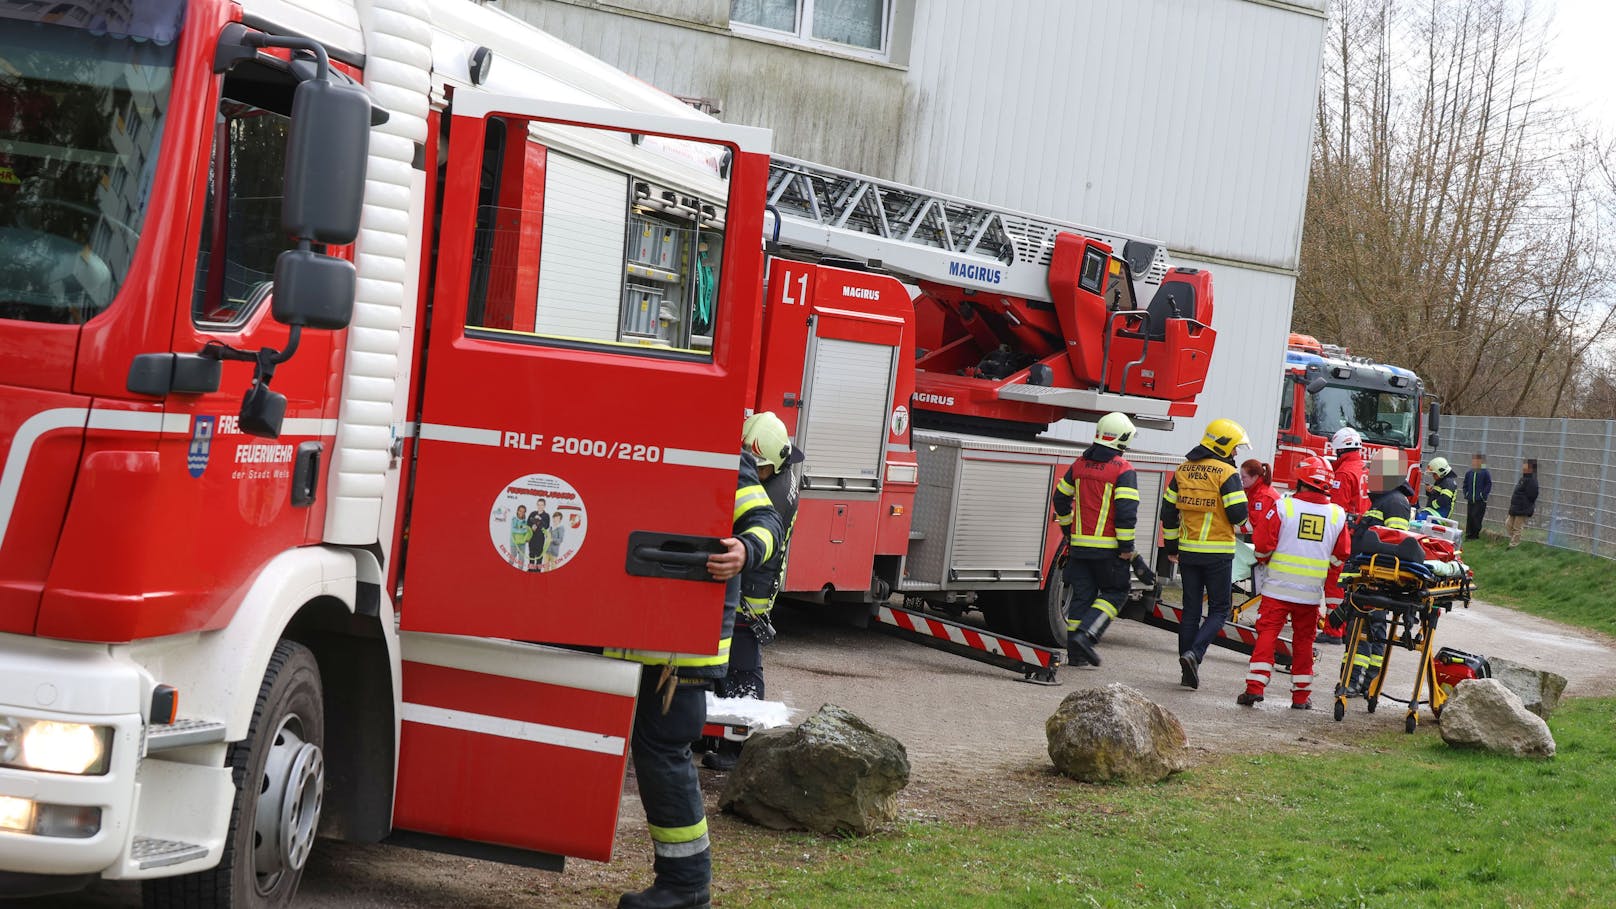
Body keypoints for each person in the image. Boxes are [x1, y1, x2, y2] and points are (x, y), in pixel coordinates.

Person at [607, 452, 782, 909]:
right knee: (657, 750)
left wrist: (745, 549)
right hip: (647, 630)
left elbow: (767, 522)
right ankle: (682, 883)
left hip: (683, 639)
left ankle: (685, 885)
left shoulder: (722, 449)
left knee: (664, 751)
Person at [705, 412, 802, 771]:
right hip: (753, 590)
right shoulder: (780, 472)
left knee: (742, 673)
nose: (748, 471)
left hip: (749, 597)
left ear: (774, 464)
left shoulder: (770, 497)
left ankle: (737, 750)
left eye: (756, 466)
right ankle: (720, 736)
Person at [1238, 455, 1350, 710]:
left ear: (1301, 480)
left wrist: (1264, 560)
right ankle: (1300, 697)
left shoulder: (1283, 507)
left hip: (1277, 588)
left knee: (1267, 634)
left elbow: (1264, 546)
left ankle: (1255, 688)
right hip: (1310, 594)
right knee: (1303, 641)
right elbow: (1341, 554)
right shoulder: (1336, 514)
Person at [1160, 417, 1250, 689]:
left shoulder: (1183, 470)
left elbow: (1168, 513)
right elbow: (1238, 514)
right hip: (1218, 552)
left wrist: (1172, 548)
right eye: (1235, 448)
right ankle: (1194, 655)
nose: (1236, 454)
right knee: (1220, 609)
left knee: (1190, 611)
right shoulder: (1226, 473)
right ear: (1223, 446)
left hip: (1188, 552)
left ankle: (1186, 670)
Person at [1051, 412, 1140, 668]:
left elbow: (1060, 499)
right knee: (1116, 593)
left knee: (1082, 597)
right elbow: (1125, 513)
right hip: (1108, 550)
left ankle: (1076, 656)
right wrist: (1126, 548)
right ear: (1122, 440)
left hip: (1079, 547)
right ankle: (1087, 636)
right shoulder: (1124, 470)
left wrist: (1069, 531)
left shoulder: (1079, 464)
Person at [1338, 449, 1414, 696]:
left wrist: (1375, 579)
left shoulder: (1394, 502)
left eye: (1375, 470)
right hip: (1366, 579)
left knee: (1366, 633)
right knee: (1362, 632)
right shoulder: (1384, 500)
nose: (1369, 475)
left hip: (1375, 582)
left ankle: (1358, 683)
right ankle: (1360, 682)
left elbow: (1393, 544)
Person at [1320, 426, 1369, 644]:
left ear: (1340, 450)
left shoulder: (1343, 473)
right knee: (1352, 583)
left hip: (1345, 534)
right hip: (1364, 534)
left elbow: (1336, 511)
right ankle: (1349, 626)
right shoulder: (1365, 468)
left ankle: (1333, 631)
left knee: (1334, 583)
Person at [1239, 459, 1280, 534]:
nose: (1241, 479)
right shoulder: (1253, 490)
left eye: (1244, 477)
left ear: (1255, 477)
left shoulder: (1263, 496)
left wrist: (1233, 529)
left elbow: (1255, 523)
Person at [1505, 459, 1539, 549]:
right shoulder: (1523, 479)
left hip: (1523, 508)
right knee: (1508, 524)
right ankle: (1515, 540)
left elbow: (1533, 495)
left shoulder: (1532, 481)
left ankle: (1513, 545)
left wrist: (1525, 502)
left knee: (1517, 528)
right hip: (1515, 507)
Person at [1463, 453, 1492, 540]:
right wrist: (1466, 494)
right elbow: (1465, 484)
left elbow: (1488, 484)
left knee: (1477, 517)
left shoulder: (1485, 472)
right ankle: (1468, 535)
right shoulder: (1469, 473)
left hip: (1480, 501)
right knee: (1470, 517)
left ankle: (1475, 535)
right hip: (1470, 499)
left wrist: (1483, 496)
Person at [509, 504, 531, 569]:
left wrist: (528, 538)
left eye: (523, 511)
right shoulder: (514, 519)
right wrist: (523, 530)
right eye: (520, 511)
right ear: (517, 511)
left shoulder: (525, 521)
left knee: (521, 558)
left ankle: (520, 572)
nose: (521, 512)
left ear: (525, 512)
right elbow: (513, 530)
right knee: (513, 556)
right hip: (514, 542)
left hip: (522, 543)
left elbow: (527, 531)